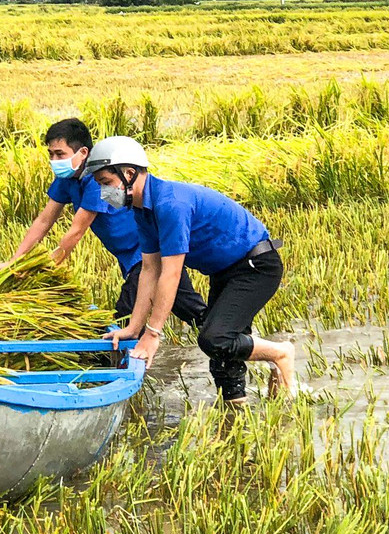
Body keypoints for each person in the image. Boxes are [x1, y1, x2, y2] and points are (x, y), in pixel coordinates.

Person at [88, 136, 296, 402]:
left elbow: (171, 274)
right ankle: (235, 416)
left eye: (107, 183)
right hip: (225, 271)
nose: (105, 193)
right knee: (222, 360)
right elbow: (150, 270)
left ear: (128, 174)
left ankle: (281, 353)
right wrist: (133, 327)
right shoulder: (142, 211)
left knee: (215, 339)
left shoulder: (170, 204)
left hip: (255, 266)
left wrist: (153, 334)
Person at [4, 119, 206, 324]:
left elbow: (76, 231)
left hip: (146, 252)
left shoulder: (98, 180)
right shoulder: (67, 179)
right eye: (51, 154)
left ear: (82, 153)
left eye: (60, 154)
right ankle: (223, 338)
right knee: (190, 309)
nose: (54, 160)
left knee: (126, 318)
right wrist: (16, 260)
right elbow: (44, 220)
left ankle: (224, 338)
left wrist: (46, 268)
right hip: (131, 256)